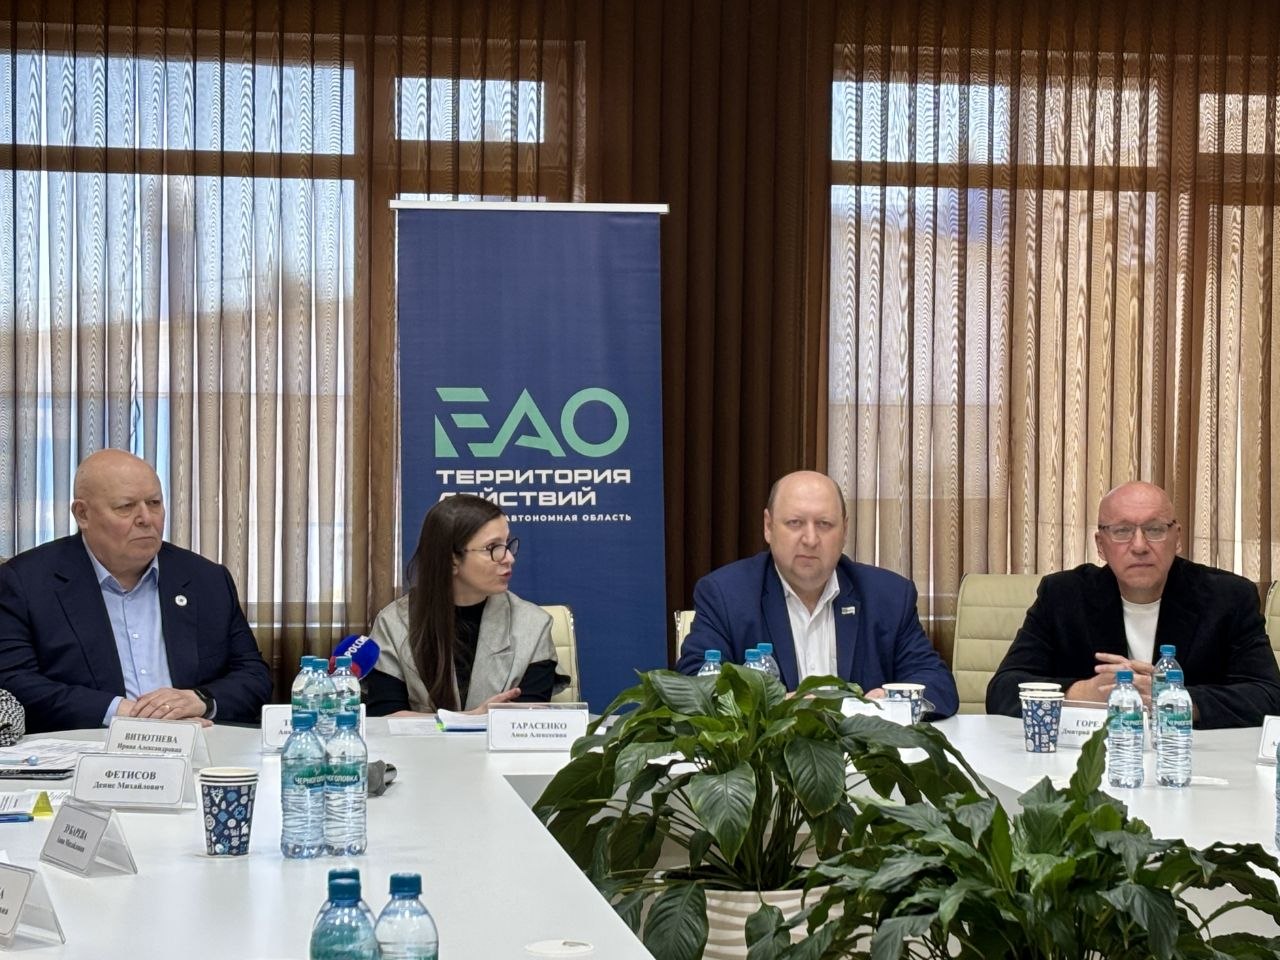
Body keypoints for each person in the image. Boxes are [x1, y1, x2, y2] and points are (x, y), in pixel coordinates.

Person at [0, 449, 272, 733]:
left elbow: (253, 676)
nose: (146, 518)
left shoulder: (206, 579)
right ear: (83, 514)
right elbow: (13, 682)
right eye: (125, 507)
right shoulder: (26, 582)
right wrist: (122, 712)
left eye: (154, 503)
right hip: (90, 746)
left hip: (199, 741)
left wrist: (200, 700)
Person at [986, 481, 1280, 728]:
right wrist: (1082, 693)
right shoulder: (1063, 596)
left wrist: (1176, 701)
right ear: (1100, 545)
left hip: (1189, 759)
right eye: (1122, 531)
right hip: (1092, 759)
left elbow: (1268, 697)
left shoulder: (1228, 597)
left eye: (1155, 529)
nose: (1139, 546)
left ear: (1177, 538)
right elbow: (1002, 691)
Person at [675, 471, 959, 718]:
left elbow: (938, 686)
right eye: (795, 523)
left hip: (866, 758)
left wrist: (890, 702)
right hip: (766, 760)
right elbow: (694, 689)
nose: (810, 539)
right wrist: (773, 707)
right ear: (768, 527)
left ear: (844, 530)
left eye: (824, 524)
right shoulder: (726, 594)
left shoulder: (888, 596)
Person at [364, 494, 568, 715]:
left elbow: (527, 720)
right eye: (493, 547)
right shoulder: (394, 623)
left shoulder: (533, 625)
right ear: (451, 559)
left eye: (507, 544)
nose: (509, 558)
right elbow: (385, 718)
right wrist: (470, 719)